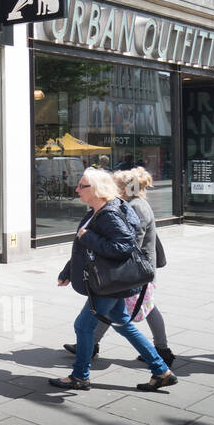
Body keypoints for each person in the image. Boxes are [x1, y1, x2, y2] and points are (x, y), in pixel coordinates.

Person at [52, 167, 176, 392]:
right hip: (110, 282)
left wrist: (89, 237)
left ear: (97, 190)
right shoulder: (96, 210)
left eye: (82, 186)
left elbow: (123, 246)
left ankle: (80, 376)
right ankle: (161, 370)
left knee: (82, 326)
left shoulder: (109, 213)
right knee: (122, 324)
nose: (77, 189)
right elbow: (83, 249)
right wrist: (68, 271)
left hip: (108, 283)